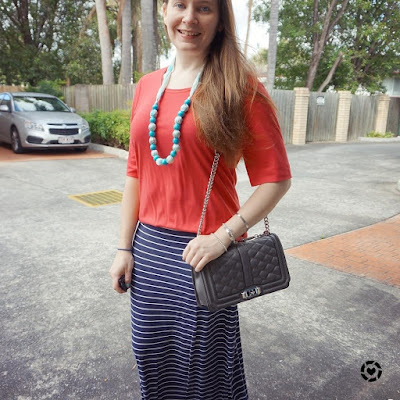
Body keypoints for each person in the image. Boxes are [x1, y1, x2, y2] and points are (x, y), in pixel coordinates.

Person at [109, 0, 292, 398]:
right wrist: (124, 247)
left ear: (220, 18)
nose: (189, 18)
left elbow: (275, 180)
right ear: (164, 12)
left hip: (205, 256)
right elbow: (136, 173)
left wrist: (223, 237)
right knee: (152, 360)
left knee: (203, 372)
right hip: (149, 254)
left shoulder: (239, 88)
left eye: (204, 7)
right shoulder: (147, 85)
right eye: (180, 5)